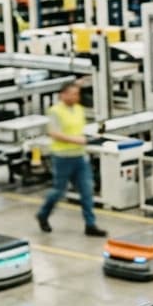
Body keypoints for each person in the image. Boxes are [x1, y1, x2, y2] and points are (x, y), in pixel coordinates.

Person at [36, 81, 106, 237]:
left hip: (80, 157)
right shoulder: (55, 111)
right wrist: (78, 140)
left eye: (77, 94)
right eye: (73, 93)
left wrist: (90, 137)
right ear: (63, 94)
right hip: (63, 158)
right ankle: (43, 214)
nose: (76, 97)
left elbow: (79, 130)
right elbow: (54, 133)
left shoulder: (79, 110)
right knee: (58, 191)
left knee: (87, 191)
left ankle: (90, 224)